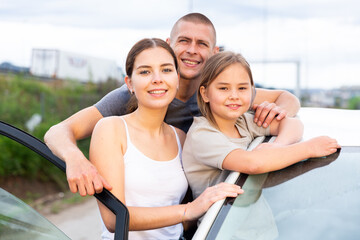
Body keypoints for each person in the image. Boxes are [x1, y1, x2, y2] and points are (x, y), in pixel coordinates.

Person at [44, 13, 301, 196]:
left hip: (212, 213)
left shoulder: (220, 93)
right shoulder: (135, 94)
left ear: (214, 52)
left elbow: (286, 98)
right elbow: (58, 131)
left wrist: (280, 113)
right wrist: (75, 159)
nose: (191, 50)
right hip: (169, 210)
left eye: (201, 44)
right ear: (169, 44)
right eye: (184, 41)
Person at [90, 38, 244, 239]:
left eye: (166, 70)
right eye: (145, 71)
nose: (157, 79)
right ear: (129, 83)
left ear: (177, 79)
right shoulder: (111, 129)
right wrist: (189, 210)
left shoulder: (180, 137)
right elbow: (113, 218)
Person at [182, 51, 341, 200]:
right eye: (223, 88)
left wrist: (279, 145)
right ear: (204, 94)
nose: (234, 96)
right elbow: (253, 163)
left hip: (258, 219)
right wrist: (309, 149)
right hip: (222, 226)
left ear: (252, 92)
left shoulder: (243, 121)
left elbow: (292, 123)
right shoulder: (202, 134)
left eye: (242, 88)